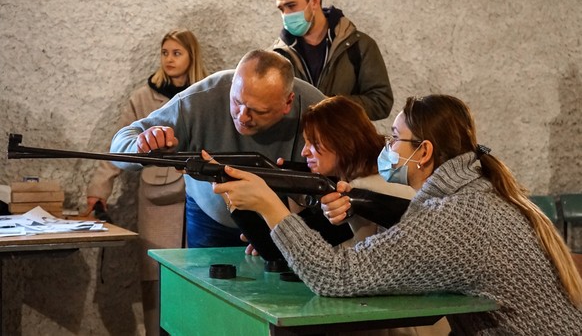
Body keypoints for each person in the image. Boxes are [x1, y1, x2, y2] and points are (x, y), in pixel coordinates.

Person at [213, 94, 582, 334]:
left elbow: (334, 276)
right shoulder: (478, 193)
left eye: (393, 139)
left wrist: (268, 205)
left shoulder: (456, 217)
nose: (386, 147)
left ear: (423, 152)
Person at [109, 49, 327, 251]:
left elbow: (353, 163)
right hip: (211, 220)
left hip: (290, 221)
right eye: (236, 101)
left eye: (258, 111)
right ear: (233, 84)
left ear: (288, 102)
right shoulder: (200, 100)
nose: (242, 116)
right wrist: (142, 144)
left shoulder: (315, 107)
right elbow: (118, 148)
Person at [86, 28, 207, 336]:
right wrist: (98, 191)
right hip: (157, 197)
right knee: (155, 275)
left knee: (202, 275)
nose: (169, 59)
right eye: (165, 52)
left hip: (200, 194)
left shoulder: (206, 95)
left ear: (191, 57)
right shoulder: (143, 97)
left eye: (177, 53)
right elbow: (118, 144)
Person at [269, 0, 393, 121]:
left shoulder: (360, 46)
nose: (286, 15)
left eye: (291, 6)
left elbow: (381, 102)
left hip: (344, 143)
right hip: (298, 144)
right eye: (281, 9)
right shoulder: (277, 55)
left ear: (314, 1)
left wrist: (332, 105)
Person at [297, 95, 415, 245]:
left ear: (341, 141)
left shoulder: (361, 188)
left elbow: (358, 259)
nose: (304, 152)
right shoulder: (389, 173)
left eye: (314, 143)